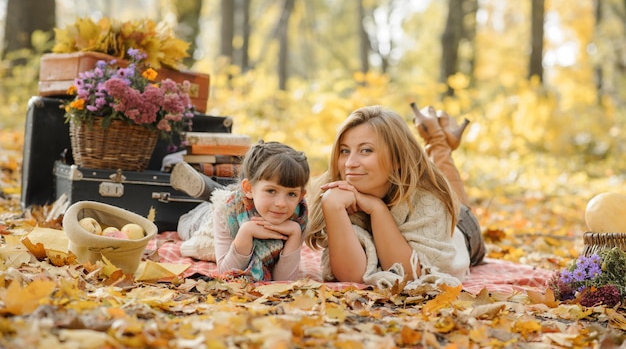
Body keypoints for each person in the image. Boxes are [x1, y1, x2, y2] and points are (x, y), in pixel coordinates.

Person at [304, 105, 485, 289]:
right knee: (440, 183)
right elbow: (352, 277)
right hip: (411, 194)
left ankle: (438, 142)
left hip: (460, 228)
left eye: (366, 150)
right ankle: (437, 136)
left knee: (447, 191)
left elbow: (410, 275)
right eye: (344, 151)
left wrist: (377, 209)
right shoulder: (334, 193)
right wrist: (332, 206)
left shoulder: (429, 199)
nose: (350, 164)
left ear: (397, 159)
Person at [173, 141, 310, 281]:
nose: (281, 204)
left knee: (238, 195)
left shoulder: (298, 217)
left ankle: (212, 188)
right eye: (271, 190)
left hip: (252, 202)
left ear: (300, 196)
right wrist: (246, 232)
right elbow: (226, 273)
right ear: (249, 189)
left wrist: (295, 233)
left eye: (291, 194)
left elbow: (284, 281)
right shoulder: (224, 212)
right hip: (205, 220)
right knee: (188, 228)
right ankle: (215, 192)